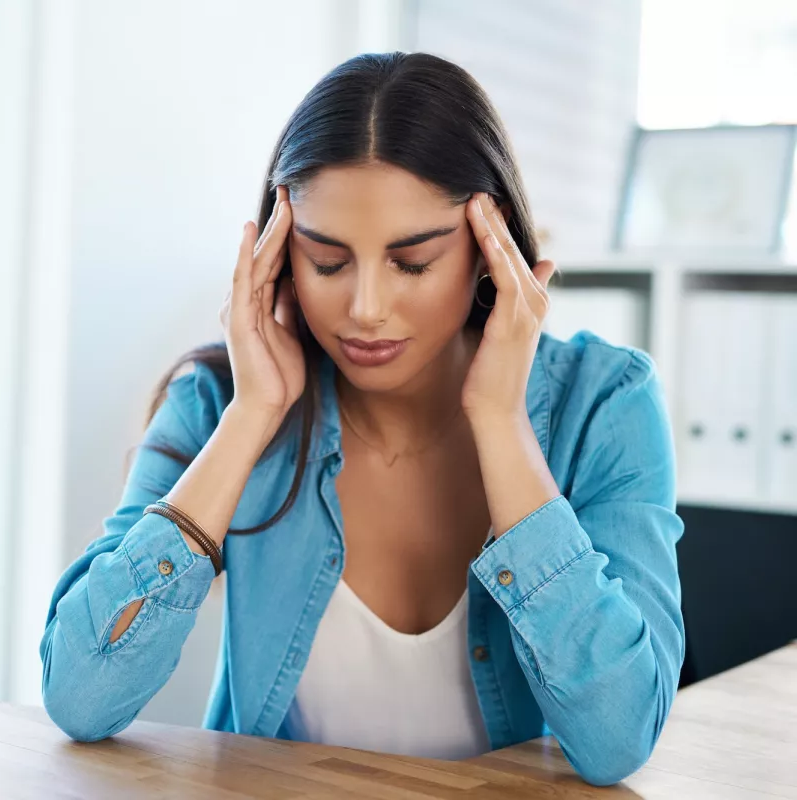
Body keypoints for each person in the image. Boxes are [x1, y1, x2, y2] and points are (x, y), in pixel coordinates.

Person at [39, 51, 685, 786]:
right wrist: (252, 415)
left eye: (412, 263)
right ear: (278, 256)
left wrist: (501, 421)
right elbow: (78, 696)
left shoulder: (605, 405)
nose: (366, 309)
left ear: (488, 251)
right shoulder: (219, 402)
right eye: (326, 261)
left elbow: (619, 737)